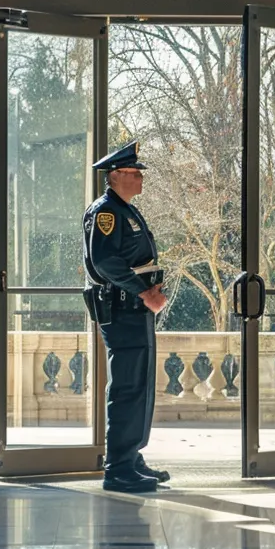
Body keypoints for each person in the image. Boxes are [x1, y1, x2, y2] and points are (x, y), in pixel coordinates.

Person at [83, 142, 173, 493]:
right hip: (122, 308)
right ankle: (118, 468)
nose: (141, 180)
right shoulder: (106, 212)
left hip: (136, 309)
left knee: (140, 386)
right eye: (135, 174)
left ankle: (130, 455)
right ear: (116, 176)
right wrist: (144, 291)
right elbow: (105, 262)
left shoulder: (125, 210)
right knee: (126, 388)